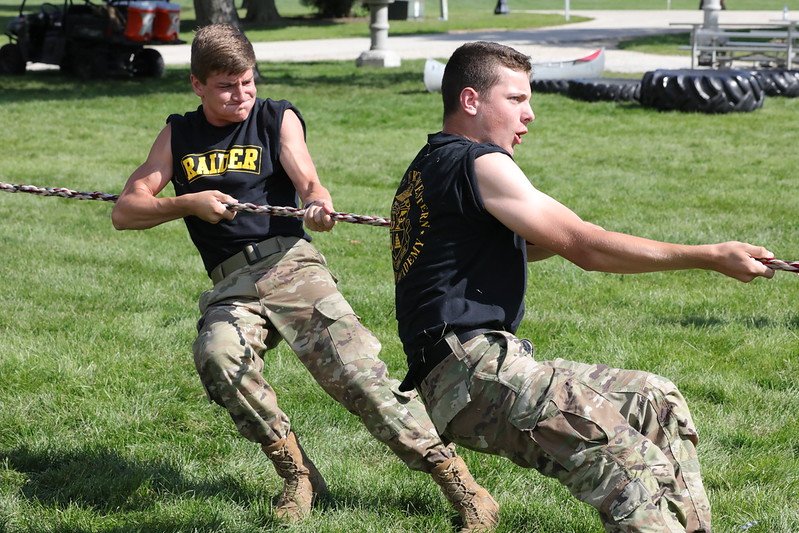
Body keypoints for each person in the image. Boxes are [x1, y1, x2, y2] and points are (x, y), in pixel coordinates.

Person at [111, 24, 498, 531]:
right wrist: (188, 202)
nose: (242, 95)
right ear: (197, 85)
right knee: (218, 357)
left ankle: (461, 486)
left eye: (248, 82)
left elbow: (306, 176)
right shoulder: (179, 134)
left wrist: (317, 201)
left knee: (359, 376)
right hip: (232, 284)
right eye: (227, 86)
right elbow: (126, 210)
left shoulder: (276, 116)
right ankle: (297, 474)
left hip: (291, 264)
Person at [390, 41, 775, 532]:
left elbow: (529, 246)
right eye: (515, 100)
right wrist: (709, 257)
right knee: (635, 473)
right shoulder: (480, 162)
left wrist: (573, 235)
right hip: (471, 373)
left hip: (475, 371)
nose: (529, 115)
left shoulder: (430, 167)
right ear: (470, 101)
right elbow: (585, 248)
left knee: (656, 400)